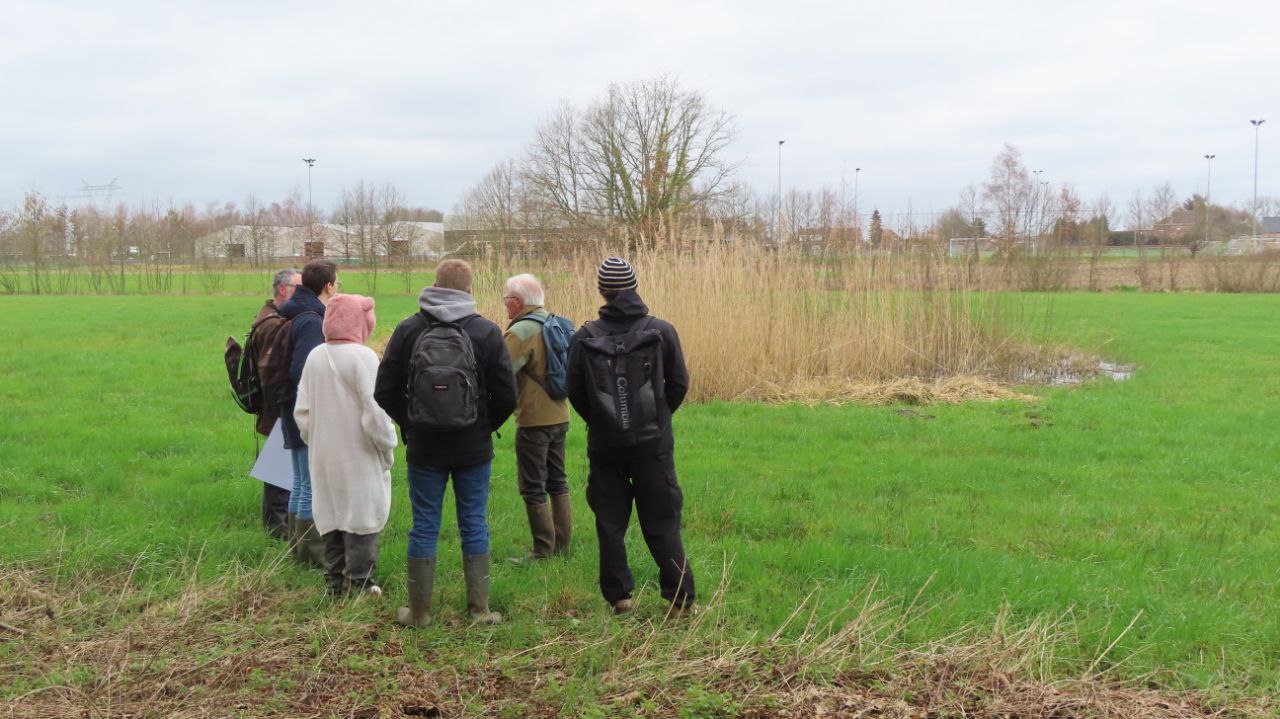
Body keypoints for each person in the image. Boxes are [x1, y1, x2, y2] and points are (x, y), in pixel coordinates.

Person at [375, 259, 517, 626]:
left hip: (424, 448)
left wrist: (411, 424)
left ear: (434, 286)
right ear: (469, 291)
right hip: (474, 448)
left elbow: (384, 390)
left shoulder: (408, 329)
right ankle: (479, 611)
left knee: (424, 525)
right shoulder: (486, 331)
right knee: (474, 522)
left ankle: (419, 612)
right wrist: (483, 425)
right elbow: (507, 395)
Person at [566, 257, 695, 616]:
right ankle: (680, 600)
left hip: (605, 444)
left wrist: (602, 420)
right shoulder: (662, 330)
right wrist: (657, 417)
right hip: (654, 445)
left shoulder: (584, 337)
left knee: (610, 522)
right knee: (663, 520)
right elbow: (679, 383)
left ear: (602, 291)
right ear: (635, 286)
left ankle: (620, 598)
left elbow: (573, 390)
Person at [295, 294, 398, 597]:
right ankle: (361, 586)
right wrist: (387, 446)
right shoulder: (363, 357)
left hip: (324, 455)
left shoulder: (315, 356)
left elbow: (302, 412)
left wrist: (317, 440)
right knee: (361, 517)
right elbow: (375, 413)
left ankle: (335, 584)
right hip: (359, 454)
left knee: (333, 514)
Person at [501, 273, 572, 564]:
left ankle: (542, 550)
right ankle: (562, 546)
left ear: (517, 302)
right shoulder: (559, 324)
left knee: (532, 484)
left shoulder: (520, 332)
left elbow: (502, 373)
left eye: (506, 299)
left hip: (534, 418)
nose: (505, 305)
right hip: (561, 414)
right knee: (558, 480)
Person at [278, 259, 339, 568]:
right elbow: (304, 371)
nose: (338, 288)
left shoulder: (294, 311)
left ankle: (297, 550)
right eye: (337, 283)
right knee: (308, 483)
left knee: (300, 480)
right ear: (328, 286)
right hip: (302, 410)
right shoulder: (312, 320)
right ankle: (311, 554)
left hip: (289, 407)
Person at [247, 268, 300, 540]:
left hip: (276, 408)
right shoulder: (272, 325)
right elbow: (273, 374)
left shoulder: (273, 318)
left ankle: (279, 527)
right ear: (283, 289)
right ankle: (276, 532)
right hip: (277, 408)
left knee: (283, 470)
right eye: (298, 288)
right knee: (279, 474)